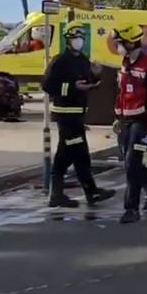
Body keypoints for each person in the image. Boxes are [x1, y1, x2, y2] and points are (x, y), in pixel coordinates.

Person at [41, 24, 116, 208]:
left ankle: (59, 195)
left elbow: (87, 80)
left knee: (67, 155)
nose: (79, 41)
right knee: (78, 154)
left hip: (79, 114)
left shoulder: (83, 60)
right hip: (65, 115)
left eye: (81, 38)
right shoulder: (60, 61)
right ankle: (89, 192)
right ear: (68, 40)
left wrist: (96, 77)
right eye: (76, 38)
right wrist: (73, 87)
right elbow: (47, 85)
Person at [112, 24, 147, 224]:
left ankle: (131, 209)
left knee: (132, 163)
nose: (118, 46)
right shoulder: (125, 63)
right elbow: (122, 92)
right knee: (129, 161)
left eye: (120, 43)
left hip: (142, 123)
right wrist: (117, 117)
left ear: (131, 42)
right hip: (125, 121)